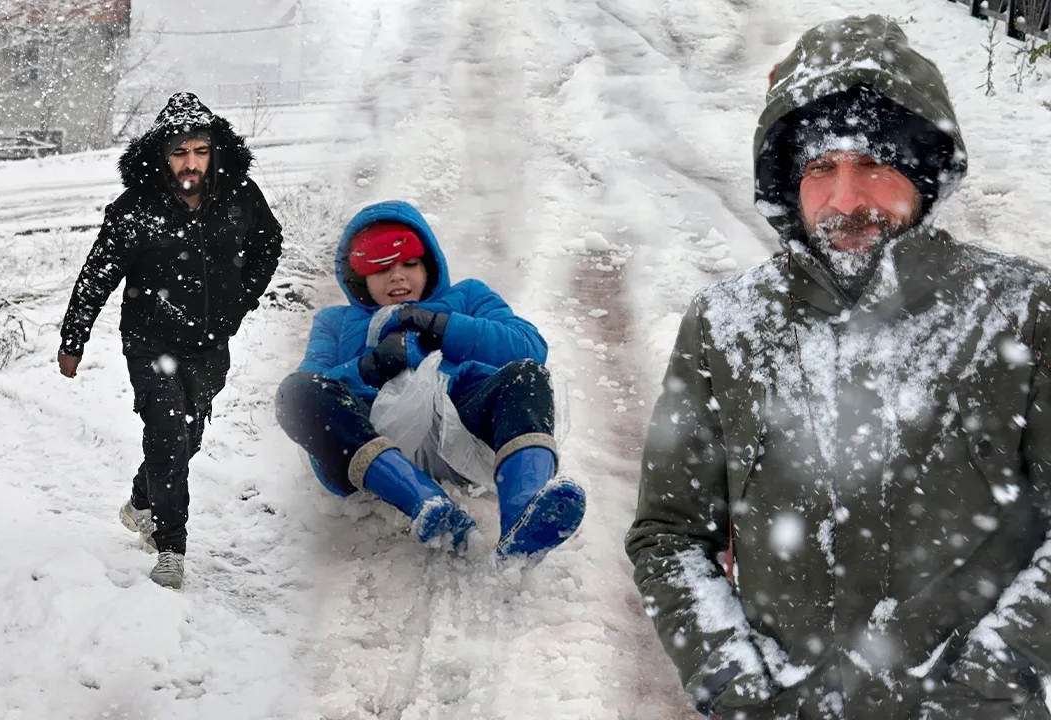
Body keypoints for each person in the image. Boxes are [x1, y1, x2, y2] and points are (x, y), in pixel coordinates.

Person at [627, 15, 1051, 720]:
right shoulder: (726, 325)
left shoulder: (1022, 313)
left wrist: (991, 680)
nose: (847, 200)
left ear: (921, 172)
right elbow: (668, 536)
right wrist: (736, 687)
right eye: (821, 169)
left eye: (875, 164)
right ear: (790, 182)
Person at [58, 92, 283, 589]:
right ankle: (170, 545)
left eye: (199, 151)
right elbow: (98, 274)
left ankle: (142, 502)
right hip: (149, 340)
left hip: (209, 343)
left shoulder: (240, 195)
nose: (190, 163)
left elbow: (269, 243)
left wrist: (241, 299)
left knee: (187, 436)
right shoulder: (135, 209)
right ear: (162, 155)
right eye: (179, 152)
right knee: (166, 435)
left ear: (214, 152)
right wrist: (74, 336)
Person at [275, 200, 586, 559]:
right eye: (381, 268)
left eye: (410, 263)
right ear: (359, 278)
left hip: (464, 424)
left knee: (527, 377)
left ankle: (524, 516)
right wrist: (368, 369)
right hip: (369, 440)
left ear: (429, 264)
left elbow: (528, 346)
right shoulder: (335, 322)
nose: (398, 276)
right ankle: (425, 502)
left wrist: (442, 326)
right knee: (295, 393)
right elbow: (314, 383)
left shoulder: (467, 296)